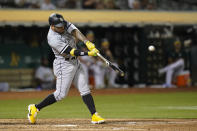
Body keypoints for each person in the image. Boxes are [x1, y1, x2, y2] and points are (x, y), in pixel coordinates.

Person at [27, 13, 105, 124]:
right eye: (59, 26)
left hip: (75, 62)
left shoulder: (63, 24)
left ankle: (94, 115)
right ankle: (35, 108)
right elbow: (71, 51)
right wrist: (88, 53)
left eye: (62, 25)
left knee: (85, 89)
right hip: (64, 65)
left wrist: (87, 42)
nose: (62, 27)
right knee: (60, 94)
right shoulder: (52, 38)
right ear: (52, 26)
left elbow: (75, 32)